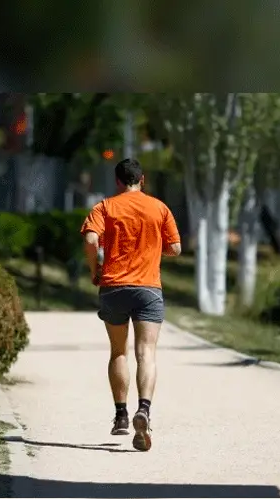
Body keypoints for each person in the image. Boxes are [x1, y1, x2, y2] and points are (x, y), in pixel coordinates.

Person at [80, 159, 181, 451]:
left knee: (118, 351)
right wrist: (149, 245)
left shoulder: (105, 207)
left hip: (113, 286)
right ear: (143, 180)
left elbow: (90, 238)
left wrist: (94, 269)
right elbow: (175, 248)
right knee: (146, 352)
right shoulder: (159, 208)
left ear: (118, 181)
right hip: (148, 287)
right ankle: (144, 410)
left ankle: (121, 415)